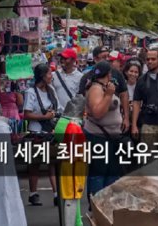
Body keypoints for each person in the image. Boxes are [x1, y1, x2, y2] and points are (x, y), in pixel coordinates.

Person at [84, 62, 123, 196]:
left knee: (112, 174)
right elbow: (97, 113)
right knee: (99, 173)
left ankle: (107, 203)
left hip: (111, 138)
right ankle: (97, 203)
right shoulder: (96, 89)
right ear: (108, 74)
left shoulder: (104, 87)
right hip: (99, 137)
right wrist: (108, 95)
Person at [22, 64, 58, 206]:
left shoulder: (51, 90)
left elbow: (58, 108)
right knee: (35, 163)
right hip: (36, 132)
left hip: (50, 131)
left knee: (52, 162)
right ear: (42, 76)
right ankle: (33, 193)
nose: (51, 76)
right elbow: (26, 114)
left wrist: (54, 116)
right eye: (49, 74)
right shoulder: (30, 92)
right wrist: (44, 117)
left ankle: (56, 194)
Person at [54, 95, 87, 226]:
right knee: (73, 196)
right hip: (73, 167)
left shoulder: (65, 124)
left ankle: (76, 221)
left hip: (70, 164)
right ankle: (76, 222)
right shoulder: (73, 127)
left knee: (72, 196)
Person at [52, 48, 84, 114]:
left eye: (65, 58)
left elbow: (82, 97)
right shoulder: (54, 75)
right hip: (57, 114)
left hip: (72, 114)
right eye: (61, 58)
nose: (62, 60)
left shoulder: (80, 77)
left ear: (73, 60)